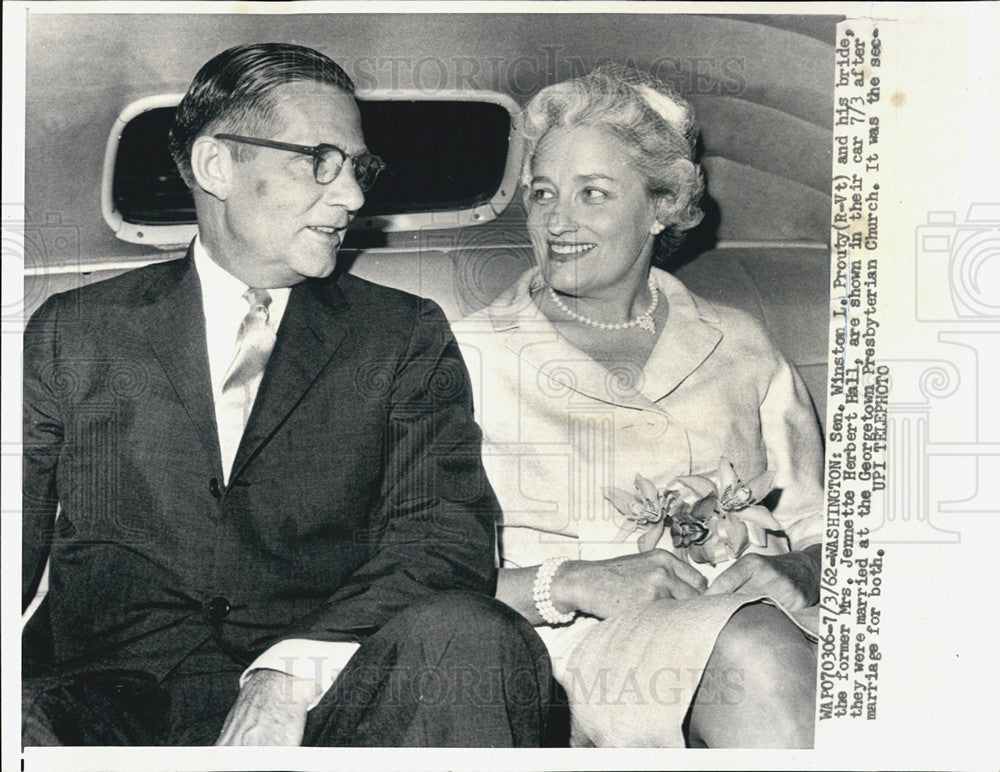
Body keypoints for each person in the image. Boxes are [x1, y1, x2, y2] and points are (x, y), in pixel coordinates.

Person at [22, 43, 550, 747]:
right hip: (105, 709)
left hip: (321, 703)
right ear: (217, 165)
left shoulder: (402, 337)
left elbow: (443, 544)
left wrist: (287, 673)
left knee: (477, 640)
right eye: (319, 162)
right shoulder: (76, 330)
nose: (355, 197)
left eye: (359, 169)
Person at [453, 65, 823, 748]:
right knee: (752, 650)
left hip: (773, 613)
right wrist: (572, 582)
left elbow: (821, 522)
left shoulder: (739, 340)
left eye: (592, 193)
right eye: (542, 193)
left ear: (661, 206)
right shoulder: (465, 355)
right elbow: (418, 575)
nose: (557, 221)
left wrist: (800, 567)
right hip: (586, 651)